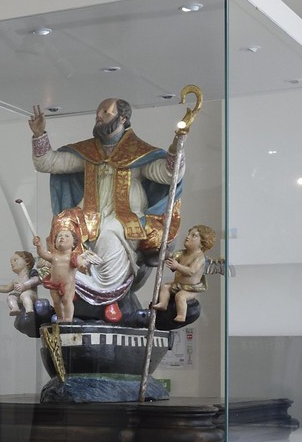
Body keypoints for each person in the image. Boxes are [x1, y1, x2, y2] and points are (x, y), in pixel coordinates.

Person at [29, 98, 186, 312]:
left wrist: (176, 148)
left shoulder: (137, 153)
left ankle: (105, 291)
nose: (99, 116)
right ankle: (65, 279)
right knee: (63, 222)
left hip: (123, 218)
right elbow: (47, 162)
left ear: (122, 118)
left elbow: (169, 174)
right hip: (89, 214)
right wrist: (39, 134)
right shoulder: (88, 153)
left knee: (108, 234)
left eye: (105, 112)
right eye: (98, 111)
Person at [34, 213, 101, 324]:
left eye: (66, 236)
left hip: (68, 284)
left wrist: (84, 263)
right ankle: (60, 317)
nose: (62, 238)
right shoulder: (53, 256)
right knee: (56, 301)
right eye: (59, 236)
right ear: (54, 242)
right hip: (53, 284)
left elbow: (81, 263)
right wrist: (39, 245)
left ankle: (68, 318)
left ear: (74, 243)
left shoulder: (74, 257)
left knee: (66, 300)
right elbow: (42, 254)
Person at [155, 224, 217, 321]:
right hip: (177, 284)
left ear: (202, 243)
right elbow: (172, 257)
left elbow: (191, 272)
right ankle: (163, 303)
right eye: (189, 234)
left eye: (194, 235)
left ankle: (181, 315)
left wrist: (177, 266)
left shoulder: (199, 257)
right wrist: (165, 253)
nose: (188, 237)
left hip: (190, 289)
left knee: (180, 296)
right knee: (165, 287)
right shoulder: (182, 253)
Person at [0, 250, 42, 316]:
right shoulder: (15, 279)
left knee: (24, 294)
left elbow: (36, 280)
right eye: (11, 262)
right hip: (19, 297)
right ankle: (15, 308)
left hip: (31, 294)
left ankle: (29, 309)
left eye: (15, 260)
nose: (12, 263)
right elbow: (7, 288)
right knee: (10, 297)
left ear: (27, 262)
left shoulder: (31, 272)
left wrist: (24, 285)